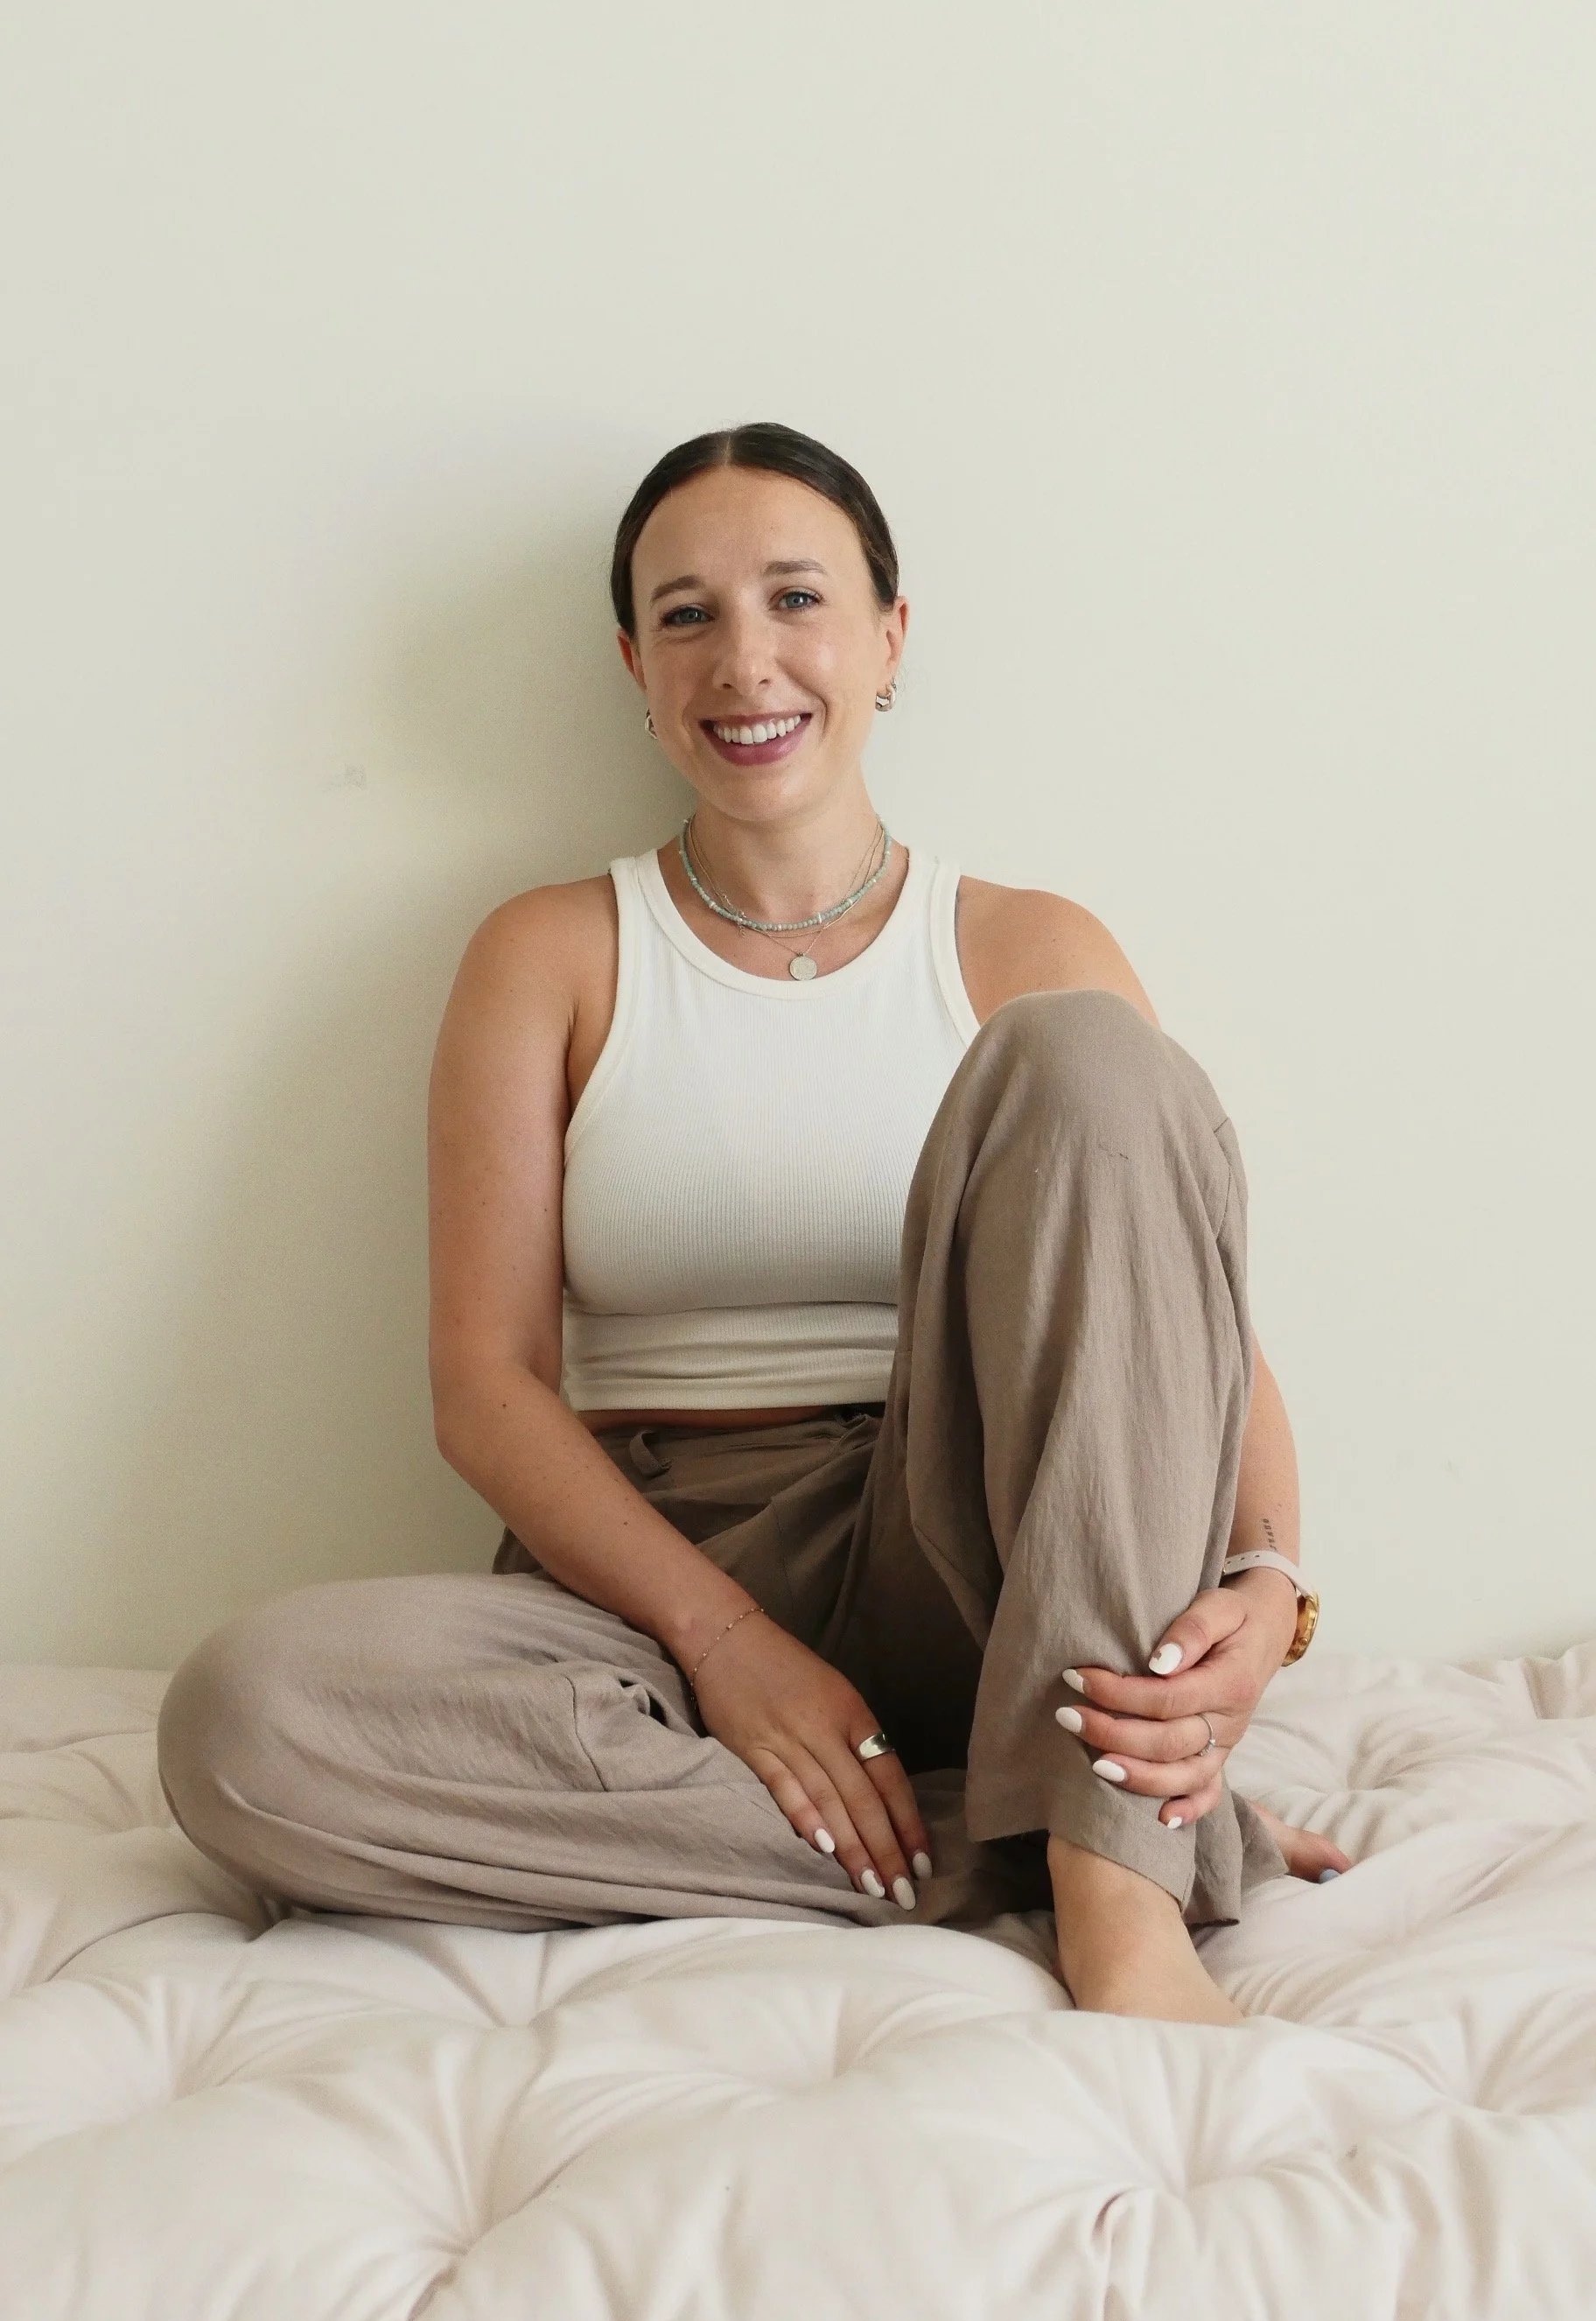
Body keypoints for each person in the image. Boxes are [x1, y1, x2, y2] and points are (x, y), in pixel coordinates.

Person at [158, 422, 1350, 2027]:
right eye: (688, 616)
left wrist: (1271, 1588)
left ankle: (1116, 1904)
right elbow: (487, 1384)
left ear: (888, 640)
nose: (747, 660)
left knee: (1087, 1061)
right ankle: (1015, 1835)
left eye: (797, 598)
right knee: (247, 1719)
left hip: (989, 1550)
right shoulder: (551, 951)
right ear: (635, 666)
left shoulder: (1024, 940)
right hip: (655, 1577)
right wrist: (729, 1643)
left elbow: (1183, 1329)